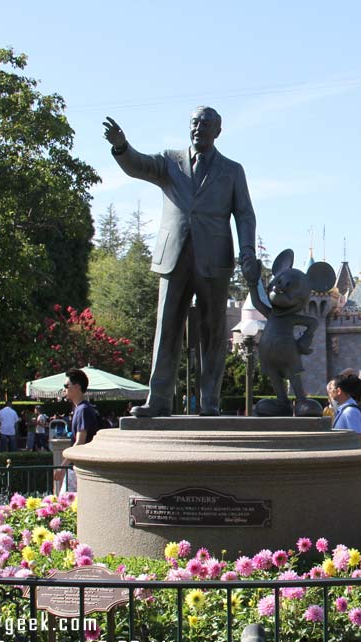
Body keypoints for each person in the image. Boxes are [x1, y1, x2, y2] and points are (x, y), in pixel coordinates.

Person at [104, 107, 259, 417]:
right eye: (194, 123)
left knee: (213, 333)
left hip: (214, 260)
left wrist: (247, 252)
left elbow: (244, 214)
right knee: (166, 329)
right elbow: (138, 166)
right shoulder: (169, 161)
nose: (198, 128)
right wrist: (122, 147)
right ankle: (158, 399)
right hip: (173, 257)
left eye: (205, 124)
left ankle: (209, 402)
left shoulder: (232, 170)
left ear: (217, 131)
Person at [53, 368, 100, 493]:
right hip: (81, 467)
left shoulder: (83, 410)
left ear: (77, 387)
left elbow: (80, 442)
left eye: (66, 385)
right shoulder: (81, 408)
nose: (64, 389)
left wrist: (62, 468)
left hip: (79, 469)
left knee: (64, 506)